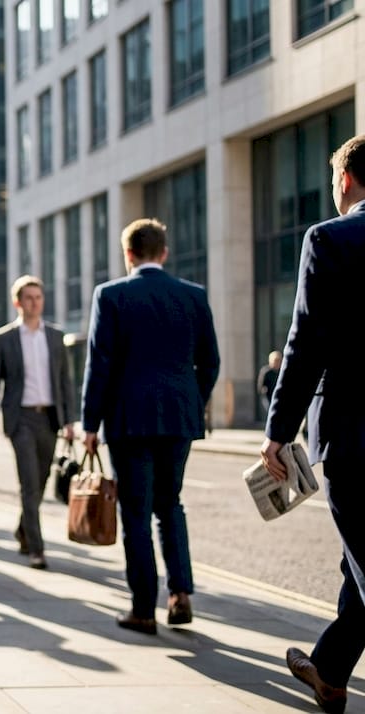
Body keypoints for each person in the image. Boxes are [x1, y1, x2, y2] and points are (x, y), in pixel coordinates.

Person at [261, 134, 365, 714]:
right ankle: (329, 670)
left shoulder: (329, 238)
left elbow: (305, 344)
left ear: (344, 180)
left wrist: (278, 431)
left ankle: (328, 670)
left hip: (355, 433)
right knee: (358, 559)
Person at [79, 218, 219, 635]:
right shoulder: (193, 295)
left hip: (128, 420)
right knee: (170, 503)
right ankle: (180, 594)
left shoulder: (111, 295)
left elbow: (99, 364)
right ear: (164, 252)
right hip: (178, 419)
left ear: (128, 253)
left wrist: (90, 423)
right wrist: (192, 402)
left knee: (136, 512)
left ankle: (143, 608)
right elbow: (210, 362)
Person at [0, 275, 76, 570]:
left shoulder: (56, 336)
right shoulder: (3, 338)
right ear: (17, 302)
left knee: (42, 481)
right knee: (29, 483)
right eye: (29, 298)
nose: (35, 303)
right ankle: (37, 549)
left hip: (49, 418)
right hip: (20, 418)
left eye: (38, 297)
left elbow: (65, 381)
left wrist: (70, 421)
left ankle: (24, 528)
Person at [257, 350, 281, 414]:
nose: (277, 363)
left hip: (279, 395)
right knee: (271, 411)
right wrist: (263, 390)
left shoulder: (281, 372)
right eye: (275, 360)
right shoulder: (266, 372)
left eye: (279, 361)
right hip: (268, 396)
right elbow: (260, 386)